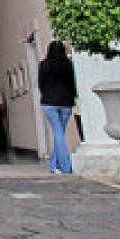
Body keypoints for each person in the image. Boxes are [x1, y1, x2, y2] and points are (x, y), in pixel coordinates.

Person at [39, 40, 77, 175]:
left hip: (49, 102)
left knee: (58, 133)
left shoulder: (44, 65)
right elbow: (73, 83)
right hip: (66, 102)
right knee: (60, 133)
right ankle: (54, 164)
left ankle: (64, 167)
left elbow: (41, 84)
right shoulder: (68, 64)